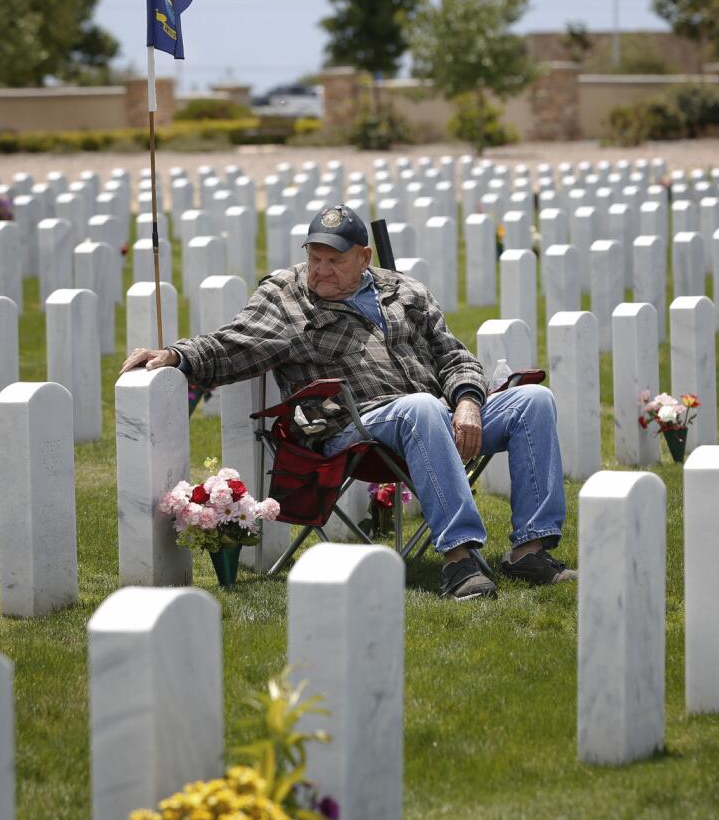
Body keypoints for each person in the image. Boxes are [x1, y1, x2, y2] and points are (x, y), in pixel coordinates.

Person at [119, 203, 575, 600]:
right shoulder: (286, 298)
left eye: (333, 260)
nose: (320, 270)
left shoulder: (405, 291)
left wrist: (469, 401)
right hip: (352, 430)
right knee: (421, 407)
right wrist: (177, 355)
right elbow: (233, 343)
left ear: (364, 258)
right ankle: (460, 559)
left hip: (435, 412)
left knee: (533, 400)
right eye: (314, 258)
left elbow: (453, 355)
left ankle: (530, 552)